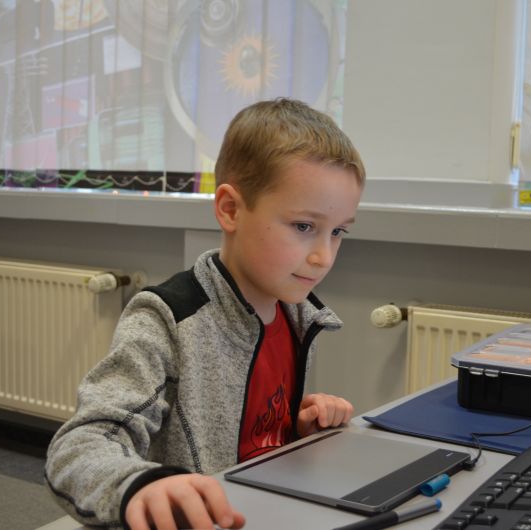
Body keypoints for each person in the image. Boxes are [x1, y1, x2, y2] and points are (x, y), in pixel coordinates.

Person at [45, 98, 366, 530]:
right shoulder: (166, 319)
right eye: (304, 227)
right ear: (230, 209)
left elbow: (251, 442)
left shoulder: (294, 316)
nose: (323, 257)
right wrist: (140, 485)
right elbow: (79, 447)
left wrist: (296, 432)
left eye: (338, 231)